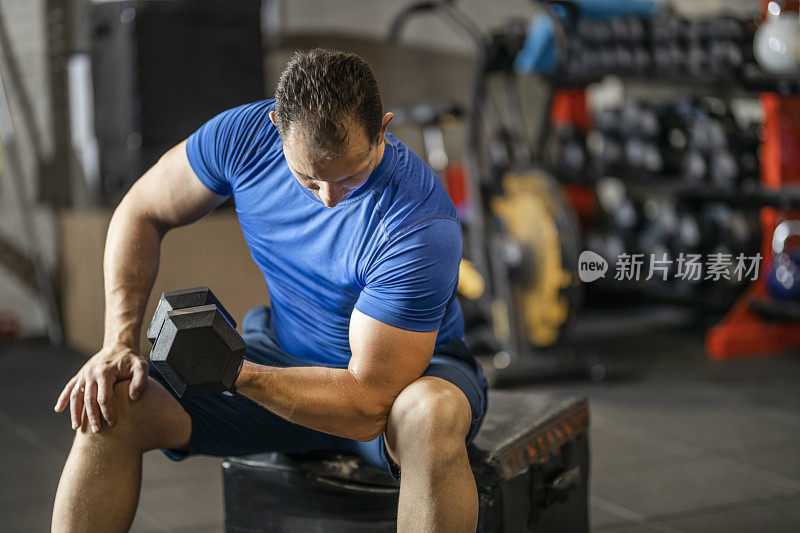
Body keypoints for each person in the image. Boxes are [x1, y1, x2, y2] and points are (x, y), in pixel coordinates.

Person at [52, 48, 487, 532]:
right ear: (277, 125)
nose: (328, 197)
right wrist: (118, 341)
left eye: (350, 175)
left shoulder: (419, 223)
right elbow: (140, 211)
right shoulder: (245, 137)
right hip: (283, 355)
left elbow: (367, 406)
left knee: (430, 415)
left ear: (383, 129)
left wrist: (233, 373)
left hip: (394, 390)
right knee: (108, 405)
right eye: (308, 177)